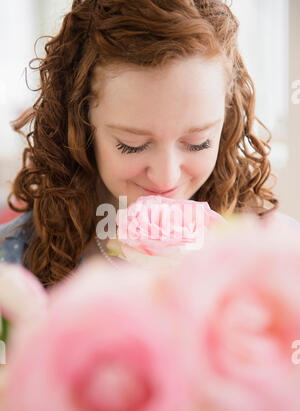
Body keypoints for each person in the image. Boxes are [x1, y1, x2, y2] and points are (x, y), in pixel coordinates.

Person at [0, 0, 299, 288]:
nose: (166, 177)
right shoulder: (14, 269)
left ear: (227, 119)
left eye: (198, 143)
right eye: (132, 145)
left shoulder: (280, 255)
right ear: (79, 124)